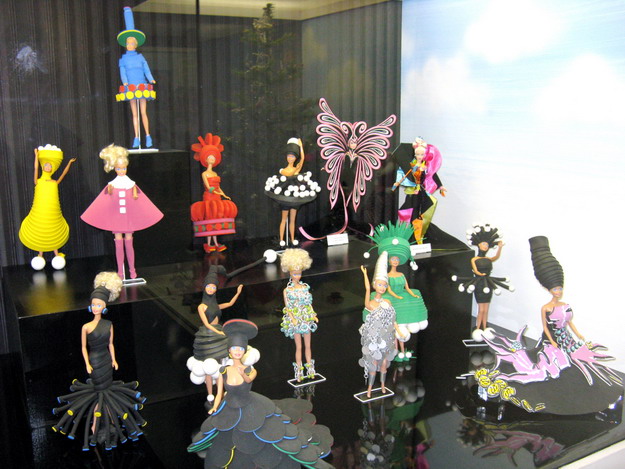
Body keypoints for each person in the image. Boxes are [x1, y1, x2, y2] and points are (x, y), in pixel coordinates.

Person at [471, 236, 622, 415]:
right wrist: (552, 341)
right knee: (550, 370)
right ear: (549, 289)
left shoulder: (564, 305)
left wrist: (578, 334)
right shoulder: (546, 308)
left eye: (560, 289)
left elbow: (569, 322)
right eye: (555, 289)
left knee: (578, 367)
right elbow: (546, 327)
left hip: (567, 340)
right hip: (553, 342)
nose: (558, 292)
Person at [188, 319, 334, 468]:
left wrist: (243, 373)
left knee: (266, 428)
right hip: (229, 405)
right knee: (225, 432)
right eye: (234, 348)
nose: (237, 351)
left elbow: (248, 379)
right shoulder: (223, 370)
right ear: (229, 351)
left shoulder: (250, 370)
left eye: (240, 348)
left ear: (244, 351)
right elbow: (220, 392)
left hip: (249, 404)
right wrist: (215, 407)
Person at [52, 272, 146, 450]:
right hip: (94, 361)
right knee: (100, 393)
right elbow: (83, 348)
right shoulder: (85, 327)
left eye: (99, 305)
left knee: (107, 393)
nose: (95, 307)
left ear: (104, 307)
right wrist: (87, 364)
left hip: (106, 361)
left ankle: (111, 421)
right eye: (93, 304)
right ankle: (96, 426)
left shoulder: (108, 324)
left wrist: (114, 360)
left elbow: (111, 344)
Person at [81, 144, 163, 279]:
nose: (121, 171)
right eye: (119, 168)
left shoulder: (131, 183)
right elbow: (105, 199)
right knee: (118, 244)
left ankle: (132, 270)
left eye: (124, 168)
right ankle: (120, 271)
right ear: (114, 168)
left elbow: (139, 197)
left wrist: (135, 196)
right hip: (117, 218)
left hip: (129, 218)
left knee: (129, 243)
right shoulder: (112, 184)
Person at [186, 265, 244, 402]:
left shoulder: (216, 305)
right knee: (208, 367)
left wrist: (238, 293)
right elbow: (206, 324)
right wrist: (218, 331)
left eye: (213, 287)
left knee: (220, 366)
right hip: (209, 336)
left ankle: (220, 392)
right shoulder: (202, 306)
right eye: (209, 286)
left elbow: (229, 304)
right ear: (204, 287)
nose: (211, 289)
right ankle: (210, 394)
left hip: (219, 333)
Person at [19, 145, 76, 270]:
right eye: (46, 165)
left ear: (52, 168)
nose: (48, 167)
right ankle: (40, 255)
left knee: (53, 229)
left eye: (50, 166)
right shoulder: (38, 181)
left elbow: (64, 173)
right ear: (43, 167)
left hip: (53, 211)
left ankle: (56, 254)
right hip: (40, 210)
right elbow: (35, 168)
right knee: (41, 229)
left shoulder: (54, 182)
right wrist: (36, 156)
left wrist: (69, 163)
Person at [452, 224, 514, 340]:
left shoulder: (488, 259)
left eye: (487, 245)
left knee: (486, 308)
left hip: (488, 284)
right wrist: (480, 274)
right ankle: (478, 327)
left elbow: (496, 257)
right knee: (481, 309)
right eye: (484, 244)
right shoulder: (474, 259)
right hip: (480, 284)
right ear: (479, 245)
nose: (486, 246)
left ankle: (485, 327)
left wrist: (500, 247)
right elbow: (475, 270)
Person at [360, 252, 405, 398]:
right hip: (374, 339)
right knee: (373, 363)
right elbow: (367, 290)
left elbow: (393, 320)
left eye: (384, 285)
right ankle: (370, 388)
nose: (382, 287)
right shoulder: (371, 304)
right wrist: (365, 275)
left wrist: (399, 331)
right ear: (374, 285)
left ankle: (383, 385)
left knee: (384, 363)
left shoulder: (388, 302)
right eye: (379, 284)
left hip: (386, 338)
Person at [264, 138, 320, 246]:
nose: (290, 158)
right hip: (285, 196)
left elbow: (302, 159)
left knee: (293, 219)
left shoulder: (297, 168)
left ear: (295, 158)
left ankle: (292, 239)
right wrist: (293, 171)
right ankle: (281, 240)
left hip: (295, 196)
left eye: (293, 156)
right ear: (286, 157)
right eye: (289, 156)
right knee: (284, 219)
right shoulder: (283, 170)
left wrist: (301, 147)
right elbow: (288, 173)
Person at [116, 6, 156, 149]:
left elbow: (146, 69)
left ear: (136, 44)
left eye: (132, 43)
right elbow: (123, 73)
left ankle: (148, 136)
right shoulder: (123, 59)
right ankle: (136, 137)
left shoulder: (140, 57)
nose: (130, 45)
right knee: (135, 114)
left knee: (143, 112)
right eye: (128, 43)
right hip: (131, 87)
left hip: (142, 85)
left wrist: (151, 79)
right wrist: (125, 82)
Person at [190, 133, 238, 252]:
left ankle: (216, 243)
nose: (212, 159)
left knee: (216, 221)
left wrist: (223, 194)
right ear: (205, 158)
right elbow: (208, 186)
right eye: (210, 157)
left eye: (213, 157)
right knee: (209, 220)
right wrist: (213, 191)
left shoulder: (215, 173)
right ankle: (208, 243)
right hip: (209, 197)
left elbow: (218, 187)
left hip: (217, 197)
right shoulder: (204, 173)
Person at [393, 137, 446, 242]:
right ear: (415, 155)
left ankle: (417, 235)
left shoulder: (425, 165)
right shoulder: (412, 165)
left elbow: (433, 175)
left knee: (419, 212)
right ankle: (405, 233)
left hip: (421, 191)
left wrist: (440, 186)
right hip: (412, 191)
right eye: (418, 154)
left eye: (422, 154)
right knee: (407, 209)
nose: (420, 156)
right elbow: (404, 174)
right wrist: (398, 182)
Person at [279, 248, 319, 381]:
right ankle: (299, 371)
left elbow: (309, 303)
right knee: (299, 346)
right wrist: (293, 319)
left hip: (306, 318)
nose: (297, 276)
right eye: (295, 274)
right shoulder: (287, 290)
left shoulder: (305, 287)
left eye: (299, 273)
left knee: (308, 345)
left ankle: (310, 368)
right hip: (296, 320)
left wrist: (313, 315)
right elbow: (288, 307)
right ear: (290, 273)